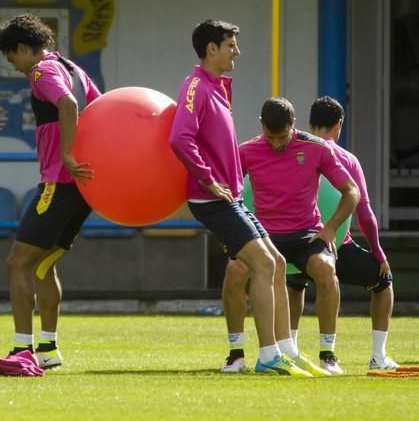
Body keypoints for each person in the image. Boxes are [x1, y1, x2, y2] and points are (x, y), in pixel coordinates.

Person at [169, 20, 311, 376]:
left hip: (230, 197)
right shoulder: (195, 86)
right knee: (262, 266)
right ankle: (267, 357)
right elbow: (179, 139)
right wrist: (209, 179)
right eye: (231, 45)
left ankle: (284, 351)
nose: (237, 52)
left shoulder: (218, 87)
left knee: (276, 263)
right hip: (211, 199)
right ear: (211, 48)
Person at [221, 97, 360, 375]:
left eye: (282, 137)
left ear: (293, 125)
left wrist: (330, 228)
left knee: (325, 268)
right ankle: (236, 355)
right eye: (271, 137)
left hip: (305, 235)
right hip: (264, 236)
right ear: (262, 126)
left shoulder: (315, 148)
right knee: (235, 270)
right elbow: (227, 192)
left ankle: (328, 354)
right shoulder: (246, 151)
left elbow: (351, 191)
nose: (275, 144)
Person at [0, 14, 101, 368]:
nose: (17, 68)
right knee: (41, 266)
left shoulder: (41, 72)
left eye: (13, 59)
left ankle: (22, 348)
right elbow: (100, 113)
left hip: (60, 182)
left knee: (18, 262)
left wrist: (68, 155)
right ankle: (48, 350)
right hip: (83, 188)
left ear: (25, 48)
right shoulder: (73, 68)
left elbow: (68, 105)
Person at [285, 96, 397, 370]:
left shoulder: (290, 154)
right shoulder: (347, 159)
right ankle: (376, 357)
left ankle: (289, 353)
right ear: (339, 125)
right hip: (334, 246)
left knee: (294, 284)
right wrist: (378, 252)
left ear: (309, 124)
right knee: (384, 283)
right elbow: (365, 213)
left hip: (293, 240)